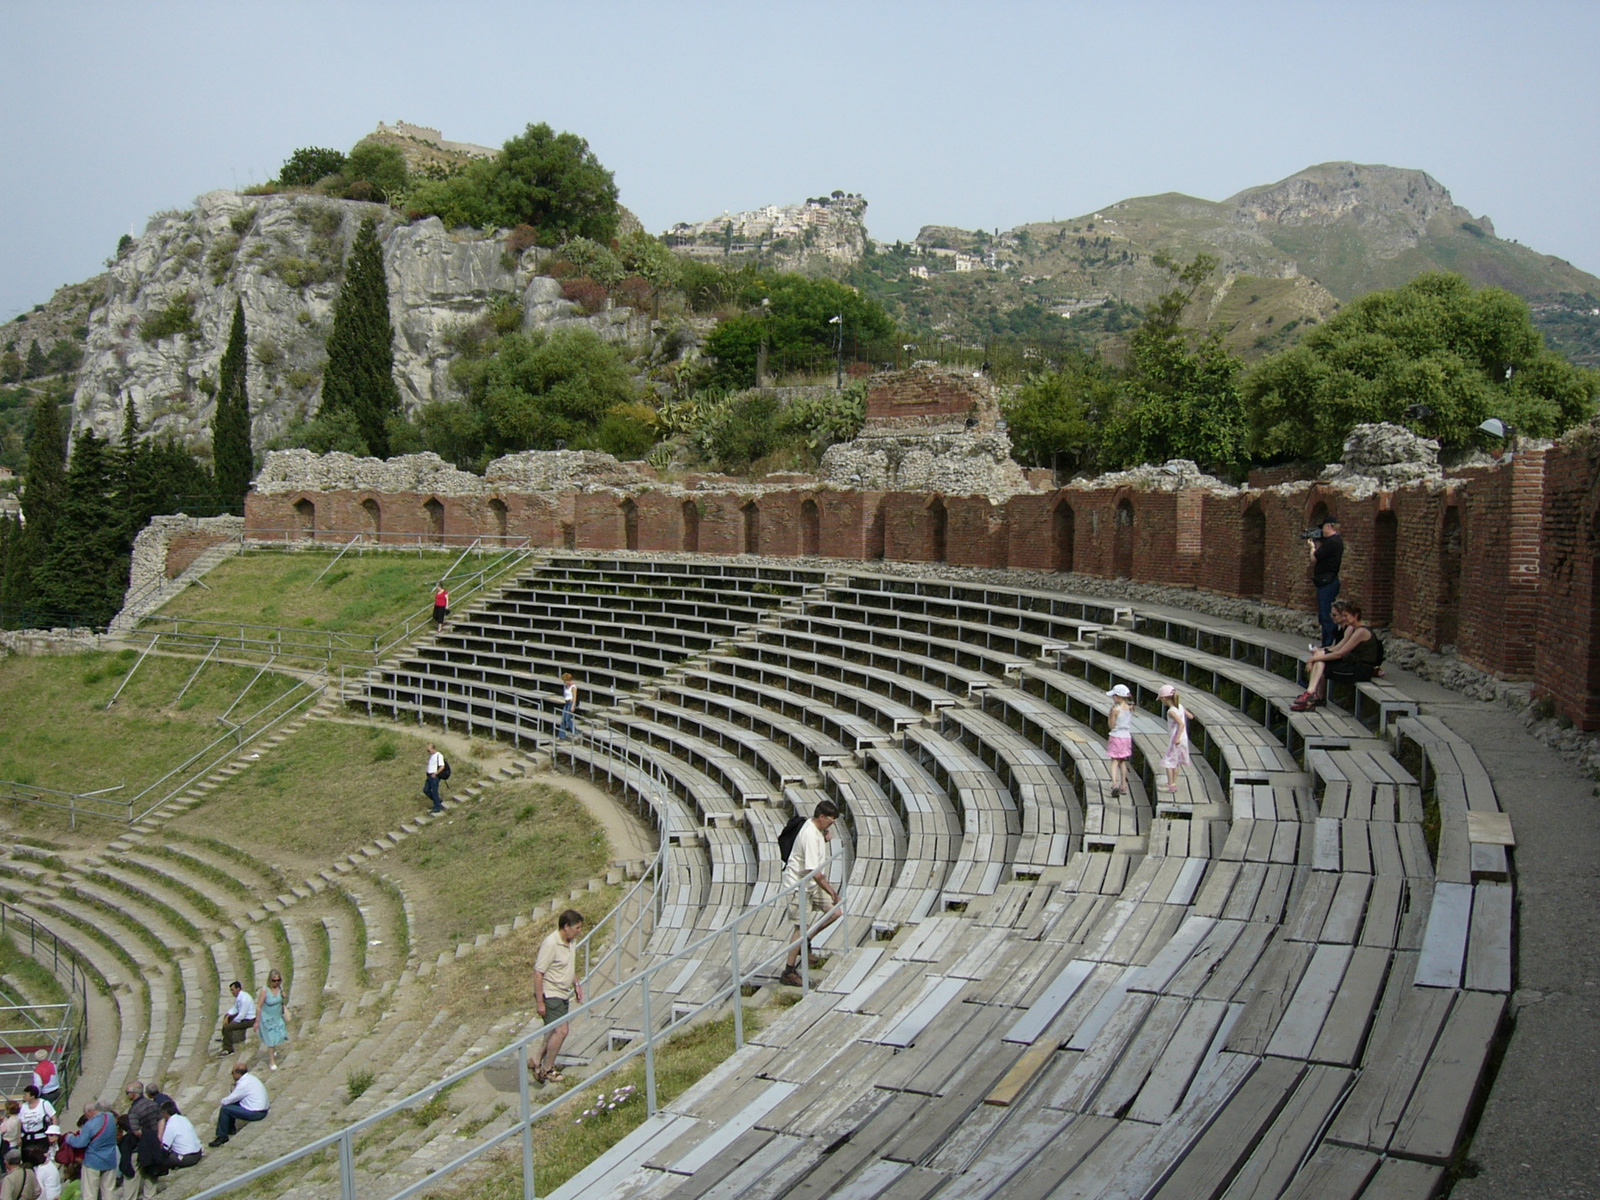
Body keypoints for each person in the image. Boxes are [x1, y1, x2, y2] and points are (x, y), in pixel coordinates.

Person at [780, 800, 842, 987]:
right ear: (821, 817)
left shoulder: (815, 828)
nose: (831, 825)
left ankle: (806, 941)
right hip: (798, 886)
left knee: (835, 912)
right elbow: (815, 872)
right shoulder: (808, 835)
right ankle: (788, 971)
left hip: (810, 884)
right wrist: (832, 892)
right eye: (830, 821)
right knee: (800, 927)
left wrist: (824, 834)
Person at [1293, 600, 1381, 711]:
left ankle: (1311, 696)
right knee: (1321, 661)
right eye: (1343, 616)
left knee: (1321, 663)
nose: (1344, 618)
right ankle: (1312, 697)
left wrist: (1313, 658)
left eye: (1346, 616)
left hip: (1361, 670)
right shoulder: (1353, 629)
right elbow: (1337, 648)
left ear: (1356, 615)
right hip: (1353, 664)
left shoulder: (1361, 632)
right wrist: (1318, 655)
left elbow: (1340, 653)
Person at [531, 910, 585, 1084]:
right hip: (551, 993)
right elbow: (538, 973)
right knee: (561, 1031)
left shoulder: (571, 942)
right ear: (566, 926)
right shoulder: (551, 944)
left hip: (563, 992)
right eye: (577, 928)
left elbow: (569, 965)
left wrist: (576, 985)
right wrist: (540, 1002)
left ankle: (536, 1060)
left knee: (553, 1031)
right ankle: (548, 1069)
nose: (579, 931)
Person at [209, 1061, 268, 1148]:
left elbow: (227, 1101)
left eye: (232, 1073)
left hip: (256, 1113)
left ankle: (222, 1136)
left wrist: (224, 1099)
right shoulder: (250, 1078)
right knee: (233, 1104)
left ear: (237, 1073)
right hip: (261, 1109)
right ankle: (230, 1128)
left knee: (225, 1109)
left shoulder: (243, 1085)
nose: (232, 1075)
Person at [64, 1103, 116, 1200]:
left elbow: (80, 1143)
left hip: (93, 1161)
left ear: (90, 1112)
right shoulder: (110, 1117)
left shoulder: (90, 1125)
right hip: (110, 1159)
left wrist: (69, 1138)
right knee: (109, 1191)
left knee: (90, 1193)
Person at [1307, 516, 1344, 648]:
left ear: (1329, 526)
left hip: (1327, 582)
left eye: (1323, 527)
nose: (1322, 530)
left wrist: (1312, 547)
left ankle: (1329, 644)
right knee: (1324, 615)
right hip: (1327, 581)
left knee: (1326, 615)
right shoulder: (1334, 541)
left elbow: (1314, 558)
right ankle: (1326, 643)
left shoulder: (1332, 542)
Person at [1158, 685, 1190, 794]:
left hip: (1176, 739)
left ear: (1165, 698)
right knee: (1175, 762)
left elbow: (1181, 724)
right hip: (1184, 739)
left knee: (1169, 762)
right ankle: (1173, 783)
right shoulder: (1180, 706)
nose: (1161, 701)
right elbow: (1189, 716)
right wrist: (1187, 715)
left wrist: (1177, 738)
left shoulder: (1171, 711)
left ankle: (1170, 784)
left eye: (1161, 699)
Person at [255, 970, 289, 1070]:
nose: (276, 982)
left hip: (277, 1017)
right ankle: (272, 1061)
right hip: (267, 1019)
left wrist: (283, 997)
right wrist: (257, 1021)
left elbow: (281, 1002)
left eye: (278, 980)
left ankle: (273, 1050)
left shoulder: (280, 989)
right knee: (270, 1040)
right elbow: (259, 1006)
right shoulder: (265, 990)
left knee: (277, 1036)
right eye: (274, 980)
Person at [1105, 684, 1135, 798]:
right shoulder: (1130, 707)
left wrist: (1110, 715)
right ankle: (1123, 785)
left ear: (1118, 697)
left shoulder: (1115, 709)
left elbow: (1111, 725)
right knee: (1122, 761)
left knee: (1114, 761)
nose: (1113, 698)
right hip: (1126, 737)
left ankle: (1114, 784)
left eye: (1114, 696)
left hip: (1116, 736)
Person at [155, 1102, 201, 1172]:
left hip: (187, 1158)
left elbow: (165, 1147)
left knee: (164, 1157)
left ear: (165, 1113)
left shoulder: (171, 1125)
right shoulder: (183, 1118)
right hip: (198, 1153)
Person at [15, 1089, 53, 1167]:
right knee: (27, 1160)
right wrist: (19, 1137)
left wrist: (54, 1133)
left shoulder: (44, 1104)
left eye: (26, 1094)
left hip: (40, 1138)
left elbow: (54, 1117)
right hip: (27, 1138)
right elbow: (20, 1122)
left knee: (41, 1159)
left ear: (32, 1096)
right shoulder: (23, 1106)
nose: (24, 1096)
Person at [220, 981, 256, 1055]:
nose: (232, 992)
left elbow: (242, 1015)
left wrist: (234, 1022)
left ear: (238, 989)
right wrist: (228, 1016)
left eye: (233, 990)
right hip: (243, 1017)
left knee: (229, 1027)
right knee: (226, 1018)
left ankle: (228, 1049)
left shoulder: (244, 999)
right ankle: (225, 1038)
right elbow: (235, 1008)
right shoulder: (239, 997)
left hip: (249, 1020)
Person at [32, 1132, 59, 1200]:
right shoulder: (50, 1164)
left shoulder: (41, 1170)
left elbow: (41, 1189)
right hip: (57, 1193)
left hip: (49, 1197)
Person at [424, 742, 445, 814]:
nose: (428, 752)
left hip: (434, 776)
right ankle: (437, 801)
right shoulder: (431, 756)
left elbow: (442, 766)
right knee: (426, 790)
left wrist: (436, 774)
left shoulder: (439, 755)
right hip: (429, 775)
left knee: (434, 791)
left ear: (433, 749)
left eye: (429, 750)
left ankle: (437, 807)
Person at [556, 673, 578, 740]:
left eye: (565, 681)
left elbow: (574, 697)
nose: (565, 682)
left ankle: (575, 732)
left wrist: (573, 706)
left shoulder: (573, 687)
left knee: (567, 719)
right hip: (566, 702)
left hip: (571, 703)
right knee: (563, 719)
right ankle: (561, 735)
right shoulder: (567, 687)